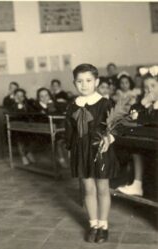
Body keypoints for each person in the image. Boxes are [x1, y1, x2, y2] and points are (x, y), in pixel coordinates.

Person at [65, 64, 119, 243]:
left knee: (103, 189)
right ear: (74, 83)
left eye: (88, 80)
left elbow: (116, 126)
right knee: (88, 189)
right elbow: (69, 131)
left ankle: (103, 225)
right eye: (79, 81)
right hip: (81, 151)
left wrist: (109, 138)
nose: (84, 85)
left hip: (100, 150)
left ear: (96, 81)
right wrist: (70, 150)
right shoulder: (72, 106)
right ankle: (93, 224)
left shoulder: (104, 103)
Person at [117, 65, 158, 196]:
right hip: (148, 143)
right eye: (145, 88)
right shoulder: (141, 103)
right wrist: (143, 105)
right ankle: (137, 184)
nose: (149, 90)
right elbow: (130, 117)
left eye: (153, 86)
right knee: (135, 148)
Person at [9, 88, 35, 165]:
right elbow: (11, 116)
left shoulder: (27, 105)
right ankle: (23, 156)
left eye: (21, 96)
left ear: (24, 97)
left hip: (26, 127)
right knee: (20, 141)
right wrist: (16, 106)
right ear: (14, 96)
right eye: (17, 96)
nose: (20, 98)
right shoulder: (12, 106)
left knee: (29, 140)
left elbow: (32, 114)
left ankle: (28, 153)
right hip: (16, 128)